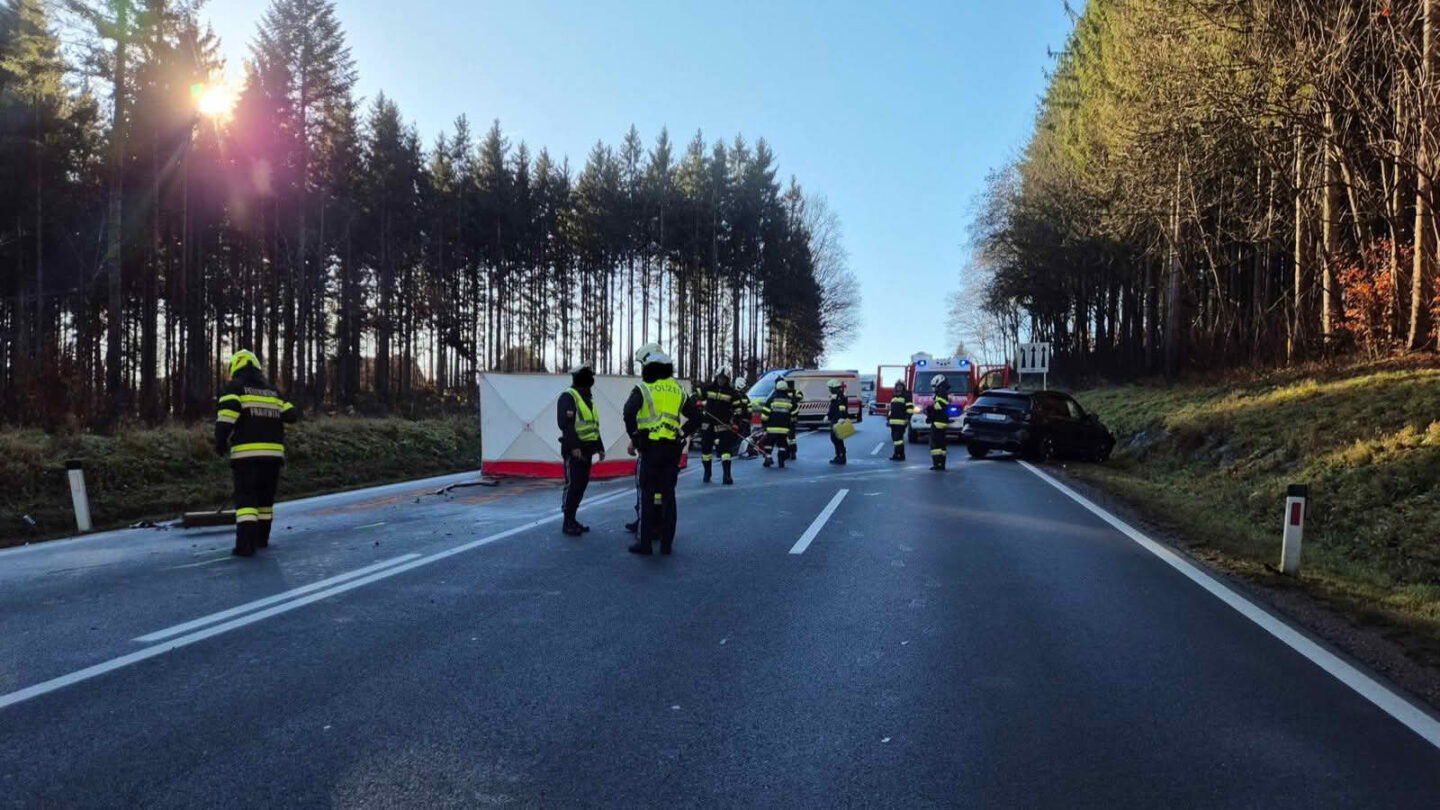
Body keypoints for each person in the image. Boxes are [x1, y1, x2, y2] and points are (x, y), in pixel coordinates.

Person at [215, 350, 297, 557]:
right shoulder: (272, 391)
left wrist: (220, 442)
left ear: (236, 366)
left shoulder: (235, 387)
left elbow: (225, 418)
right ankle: (262, 539)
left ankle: (245, 546)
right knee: (265, 501)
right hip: (273, 457)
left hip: (246, 456)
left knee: (246, 501)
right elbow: (292, 416)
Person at [623, 345, 701, 555]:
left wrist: (635, 437)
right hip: (672, 450)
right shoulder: (678, 390)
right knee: (669, 496)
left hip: (650, 450)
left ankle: (645, 543)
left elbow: (628, 411)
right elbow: (696, 417)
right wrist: (682, 434)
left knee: (647, 496)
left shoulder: (645, 388)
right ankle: (667, 544)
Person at [557, 365, 604, 536]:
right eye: (589, 376)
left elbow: (593, 426)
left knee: (581, 486)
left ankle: (573, 519)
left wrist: (600, 447)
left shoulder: (588, 399)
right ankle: (567, 521)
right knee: (573, 485)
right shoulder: (568, 397)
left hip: (588, 450)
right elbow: (565, 425)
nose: (592, 379)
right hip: (574, 450)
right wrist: (574, 447)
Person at [698, 370, 742, 484]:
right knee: (705, 450)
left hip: (723, 424)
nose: (721, 380)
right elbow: (696, 395)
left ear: (727, 379)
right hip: (707, 423)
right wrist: (697, 401)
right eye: (719, 377)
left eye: (723, 378)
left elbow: (738, 410)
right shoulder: (708, 388)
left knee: (726, 451)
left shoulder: (732, 393)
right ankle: (707, 472)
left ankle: (727, 475)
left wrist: (736, 423)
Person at [760, 378, 796, 469]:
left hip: (771, 429)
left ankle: (768, 459)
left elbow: (764, 415)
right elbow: (794, 416)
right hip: (784, 429)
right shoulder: (791, 401)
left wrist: (764, 425)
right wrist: (791, 427)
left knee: (769, 444)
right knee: (782, 445)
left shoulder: (771, 400)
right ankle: (781, 461)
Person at [926, 374, 952, 471]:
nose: (933, 389)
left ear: (938, 383)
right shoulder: (944, 391)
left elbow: (940, 405)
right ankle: (941, 464)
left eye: (934, 386)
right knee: (941, 445)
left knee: (935, 445)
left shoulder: (941, 392)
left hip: (938, 422)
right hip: (942, 421)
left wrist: (930, 409)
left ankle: (937, 464)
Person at [887, 380, 914, 461]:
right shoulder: (894, 396)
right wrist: (888, 419)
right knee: (895, 439)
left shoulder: (906, 396)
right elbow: (891, 410)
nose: (899, 387)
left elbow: (910, 409)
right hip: (893, 421)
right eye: (897, 386)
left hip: (901, 421)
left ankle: (899, 455)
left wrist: (907, 418)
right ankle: (899, 454)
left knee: (898, 439)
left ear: (903, 387)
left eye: (900, 386)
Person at [826, 379, 849, 465]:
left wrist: (842, 417)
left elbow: (842, 408)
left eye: (830, 388)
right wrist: (828, 416)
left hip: (838, 420)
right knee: (835, 439)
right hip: (835, 419)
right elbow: (832, 409)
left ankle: (841, 457)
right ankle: (838, 456)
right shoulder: (835, 396)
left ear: (834, 387)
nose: (829, 389)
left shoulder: (840, 396)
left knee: (837, 439)